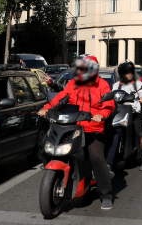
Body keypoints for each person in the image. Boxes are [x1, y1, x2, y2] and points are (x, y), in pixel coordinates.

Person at [38, 55, 115, 210]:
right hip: (72, 126)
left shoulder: (102, 85)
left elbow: (109, 103)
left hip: (93, 128)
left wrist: (101, 114)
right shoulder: (73, 83)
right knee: (47, 146)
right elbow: (60, 97)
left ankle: (106, 195)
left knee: (96, 158)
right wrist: (47, 108)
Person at [110, 61, 142, 171]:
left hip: (134, 112)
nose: (129, 74)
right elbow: (111, 95)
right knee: (112, 132)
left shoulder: (137, 84)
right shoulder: (117, 85)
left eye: (130, 72)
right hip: (120, 112)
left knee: (139, 133)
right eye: (127, 72)